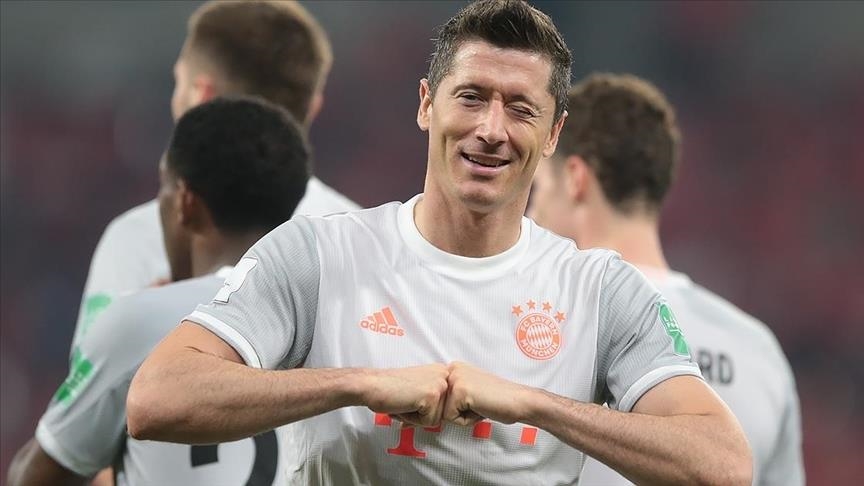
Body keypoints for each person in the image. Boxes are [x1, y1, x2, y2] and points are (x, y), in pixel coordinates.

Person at [127, 1, 752, 484]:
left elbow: (723, 465)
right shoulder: (318, 255)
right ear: (427, 104)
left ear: (554, 134)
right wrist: (359, 384)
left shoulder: (600, 290)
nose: (491, 129)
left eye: (521, 109)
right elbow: (156, 398)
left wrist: (532, 405)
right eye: (471, 97)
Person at [7, 96, 311, 486]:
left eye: (162, 188)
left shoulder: (141, 321)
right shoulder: (323, 312)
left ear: (185, 203)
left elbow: (36, 476)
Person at [528, 73, 804, 485]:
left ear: (574, 179)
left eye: (538, 188)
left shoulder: (542, 328)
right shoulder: (758, 351)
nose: (531, 214)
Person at [71, 0, 358, 352]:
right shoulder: (358, 238)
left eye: (179, 82)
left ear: (201, 96)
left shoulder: (137, 239)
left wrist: (149, 324)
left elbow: (92, 378)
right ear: (313, 106)